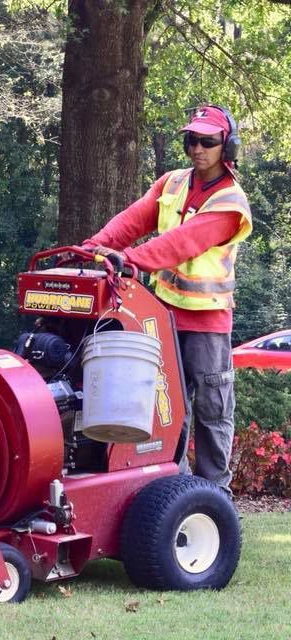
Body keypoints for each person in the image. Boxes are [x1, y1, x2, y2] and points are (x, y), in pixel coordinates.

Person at [82, 105, 253, 495]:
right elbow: (132, 220)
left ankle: (214, 498)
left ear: (227, 147)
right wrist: (92, 247)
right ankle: (170, 491)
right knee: (168, 410)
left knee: (212, 411)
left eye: (208, 141)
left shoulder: (231, 202)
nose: (197, 148)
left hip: (207, 323)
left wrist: (128, 259)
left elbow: (181, 243)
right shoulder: (172, 183)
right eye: (192, 139)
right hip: (163, 319)